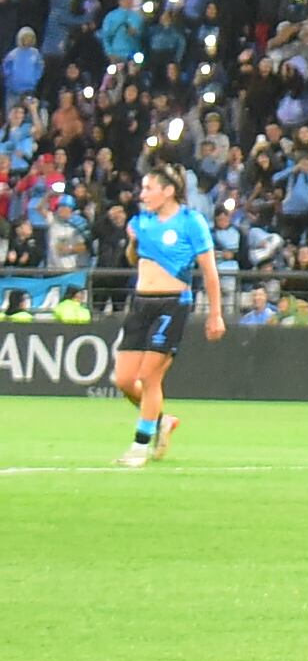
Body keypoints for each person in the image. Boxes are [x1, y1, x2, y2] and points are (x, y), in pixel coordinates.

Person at [115, 163, 223, 466]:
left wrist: (215, 314)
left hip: (172, 303)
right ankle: (161, 421)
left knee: (149, 376)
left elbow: (209, 271)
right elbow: (134, 259)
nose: (142, 194)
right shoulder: (142, 221)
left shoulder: (191, 222)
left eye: (148, 188)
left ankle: (139, 445)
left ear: (168, 191)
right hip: (141, 303)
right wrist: (133, 241)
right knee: (124, 379)